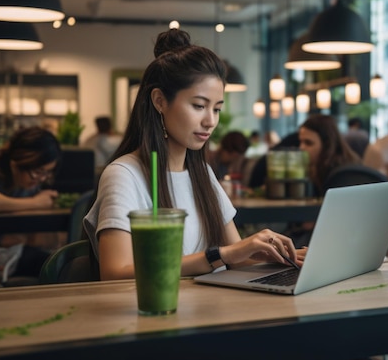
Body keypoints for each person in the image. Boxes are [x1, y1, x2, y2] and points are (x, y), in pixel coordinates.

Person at [83, 28, 303, 281]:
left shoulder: (202, 173)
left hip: (211, 309)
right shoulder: (124, 175)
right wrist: (220, 255)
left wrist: (286, 258)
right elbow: (115, 273)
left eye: (217, 109)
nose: (210, 121)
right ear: (159, 101)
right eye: (199, 106)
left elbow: (236, 259)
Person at [0, 126, 62, 285]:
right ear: (16, 162)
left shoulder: (30, 184)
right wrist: (36, 203)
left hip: (8, 255)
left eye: (47, 173)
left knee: (59, 267)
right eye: (38, 171)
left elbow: (45, 239)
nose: (41, 178)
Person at [299, 114, 362, 197]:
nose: (301, 148)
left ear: (327, 145)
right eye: (300, 142)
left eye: (308, 143)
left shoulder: (338, 176)